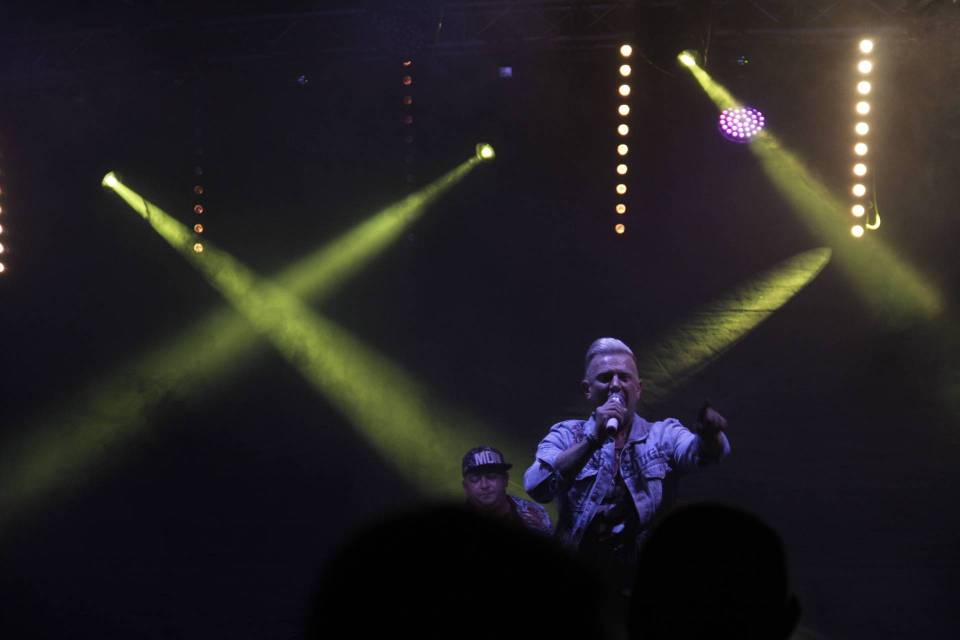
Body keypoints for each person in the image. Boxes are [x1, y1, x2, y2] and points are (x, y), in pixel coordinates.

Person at [523, 337, 731, 587]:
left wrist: (710, 436)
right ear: (587, 389)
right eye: (605, 378)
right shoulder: (567, 434)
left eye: (624, 377)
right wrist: (592, 440)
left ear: (638, 388)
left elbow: (700, 453)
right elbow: (536, 486)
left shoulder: (662, 435)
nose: (615, 386)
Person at [462, 446, 552, 535]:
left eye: (491, 476)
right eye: (475, 479)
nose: (484, 485)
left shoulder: (535, 513)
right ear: (466, 486)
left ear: (505, 479)